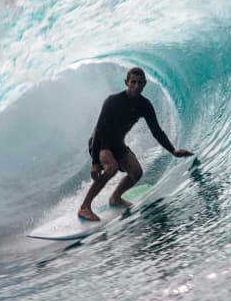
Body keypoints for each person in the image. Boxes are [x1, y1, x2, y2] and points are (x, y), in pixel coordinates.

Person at [78, 67, 193, 221]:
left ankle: (115, 198)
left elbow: (156, 131)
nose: (137, 86)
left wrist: (173, 150)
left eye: (140, 83)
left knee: (136, 172)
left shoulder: (144, 105)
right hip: (100, 142)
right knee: (111, 167)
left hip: (118, 144)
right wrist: (95, 163)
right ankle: (84, 207)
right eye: (133, 82)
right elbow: (99, 130)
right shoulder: (112, 101)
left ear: (145, 84)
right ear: (127, 83)